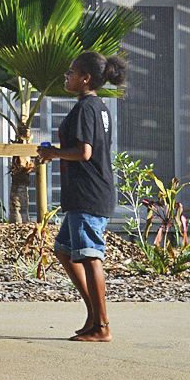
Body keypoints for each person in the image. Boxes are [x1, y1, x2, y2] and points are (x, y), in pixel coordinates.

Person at [37, 51, 124, 343]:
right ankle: (93, 315)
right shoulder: (98, 107)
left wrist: (52, 153)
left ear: (85, 78)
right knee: (64, 250)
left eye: (71, 72)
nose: (67, 76)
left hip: (89, 193)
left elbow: (84, 152)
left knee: (89, 257)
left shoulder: (87, 108)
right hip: (85, 194)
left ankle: (102, 325)